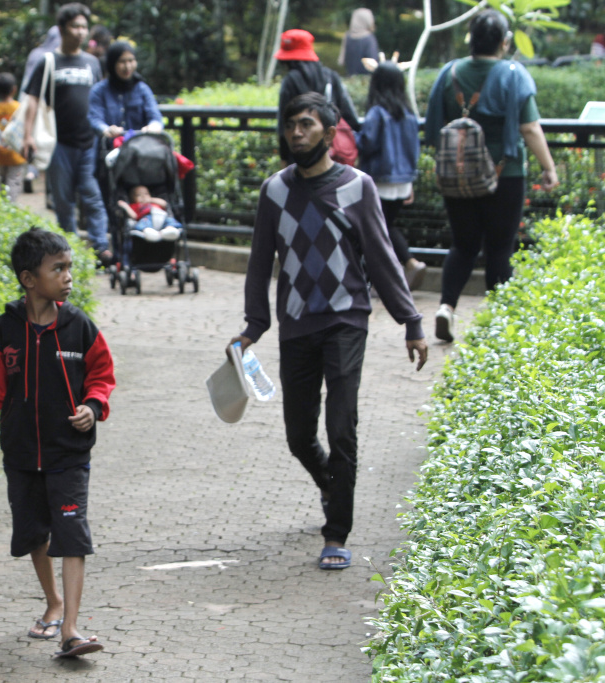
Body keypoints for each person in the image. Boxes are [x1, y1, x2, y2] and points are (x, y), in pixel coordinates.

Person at [231, 93, 428, 570]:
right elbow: (260, 265)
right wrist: (253, 327)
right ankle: (330, 482)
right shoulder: (275, 191)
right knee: (300, 436)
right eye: (290, 126)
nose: (296, 133)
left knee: (341, 428)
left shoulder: (357, 186)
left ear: (330, 131)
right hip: (297, 325)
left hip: (346, 321)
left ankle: (336, 532)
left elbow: (381, 256)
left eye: (306, 124)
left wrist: (411, 321)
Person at [0, 227, 115, 657]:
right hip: (22, 454)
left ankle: (71, 628)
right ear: (29, 279)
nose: (67, 276)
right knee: (34, 535)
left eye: (68, 267)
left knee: (72, 534)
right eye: (57, 268)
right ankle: (53, 602)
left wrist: (93, 405)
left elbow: (102, 375)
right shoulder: (6, 328)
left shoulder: (79, 325)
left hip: (69, 454)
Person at [424, 10, 558, 342]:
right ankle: (498, 324)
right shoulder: (513, 73)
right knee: (499, 249)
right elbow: (529, 127)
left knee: (463, 245)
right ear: (504, 41)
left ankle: (446, 307)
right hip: (505, 174)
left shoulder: (449, 72)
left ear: (471, 39)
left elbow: (431, 127)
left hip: (458, 173)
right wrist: (549, 167)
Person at [23, 3, 112, 266]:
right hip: (58, 143)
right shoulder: (48, 61)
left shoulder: (92, 62)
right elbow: (32, 100)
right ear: (62, 29)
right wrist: (28, 136)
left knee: (92, 195)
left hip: (88, 142)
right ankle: (70, 250)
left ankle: (101, 247)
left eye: (84, 27)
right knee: (63, 201)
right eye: (75, 26)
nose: (81, 32)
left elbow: (99, 98)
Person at [355, 60, 426, 290]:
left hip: (379, 179)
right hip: (403, 181)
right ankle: (404, 266)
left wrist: (350, 137)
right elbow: (414, 150)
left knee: (373, 230)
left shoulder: (377, 113)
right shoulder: (408, 115)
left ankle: (404, 265)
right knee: (384, 227)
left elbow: (367, 142)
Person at [276, 29, 361, 166]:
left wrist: (284, 158)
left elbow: (284, 124)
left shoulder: (290, 80)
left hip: (299, 157)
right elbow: (350, 117)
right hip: (333, 156)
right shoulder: (331, 76)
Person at [88, 41, 164, 141]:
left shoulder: (142, 89)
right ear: (112, 64)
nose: (127, 66)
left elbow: (155, 116)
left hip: (139, 149)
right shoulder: (99, 90)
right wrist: (106, 130)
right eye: (122, 61)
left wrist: (153, 127)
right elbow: (95, 119)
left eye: (131, 60)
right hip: (108, 149)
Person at [21, 26, 61, 195]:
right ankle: (47, 182)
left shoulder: (35, 53)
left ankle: (31, 172)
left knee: (33, 137)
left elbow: (26, 79)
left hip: (28, 98)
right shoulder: (55, 57)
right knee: (47, 138)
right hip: (46, 104)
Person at [0, 72, 27, 202]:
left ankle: (3, 206)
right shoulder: (18, 107)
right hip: (16, 153)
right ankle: (10, 207)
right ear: (14, 89)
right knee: (13, 181)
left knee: (3, 180)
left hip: (0, 152)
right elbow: (24, 128)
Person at [117, 185, 182, 242]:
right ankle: (149, 232)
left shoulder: (154, 202)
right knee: (143, 223)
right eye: (138, 195)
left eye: (146, 194)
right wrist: (126, 206)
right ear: (132, 199)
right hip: (146, 217)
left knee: (170, 220)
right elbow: (134, 216)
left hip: (162, 216)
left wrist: (151, 199)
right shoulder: (135, 205)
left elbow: (164, 204)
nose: (143, 196)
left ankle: (169, 230)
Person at [338, 8, 380, 76]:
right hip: (366, 80)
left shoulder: (347, 36)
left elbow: (342, 61)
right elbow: (374, 63)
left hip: (350, 78)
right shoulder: (369, 38)